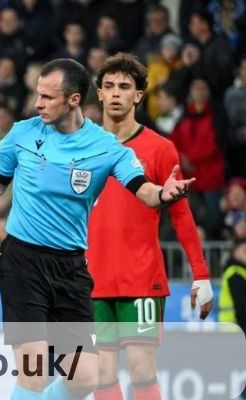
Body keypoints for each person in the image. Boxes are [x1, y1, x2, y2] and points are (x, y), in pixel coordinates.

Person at [0, 58, 198, 400]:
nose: (38, 103)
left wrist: (163, 193)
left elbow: (144, 190)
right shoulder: (22, 133)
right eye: (38, 94)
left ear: (73, 99)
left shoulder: (105, 148)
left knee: (86, 379)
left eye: (48, 97)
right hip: (22, 261)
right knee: (34, 371)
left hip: (72, 267)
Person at [87, 52, 213, 400]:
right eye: (108, 86)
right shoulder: (79, 147)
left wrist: (200, 273)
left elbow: (181, 215)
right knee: (101, 372)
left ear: (138, 96)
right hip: (91, 278)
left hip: (141, 276)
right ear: (98, 93)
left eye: (124, 87)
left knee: (142, 368)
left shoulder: (160, 149)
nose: (115, 93)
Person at [219, 239, 246, 399]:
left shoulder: (239, 272)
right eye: (243, 251)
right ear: (234, 252)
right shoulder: (235, 273)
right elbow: (242, 309)